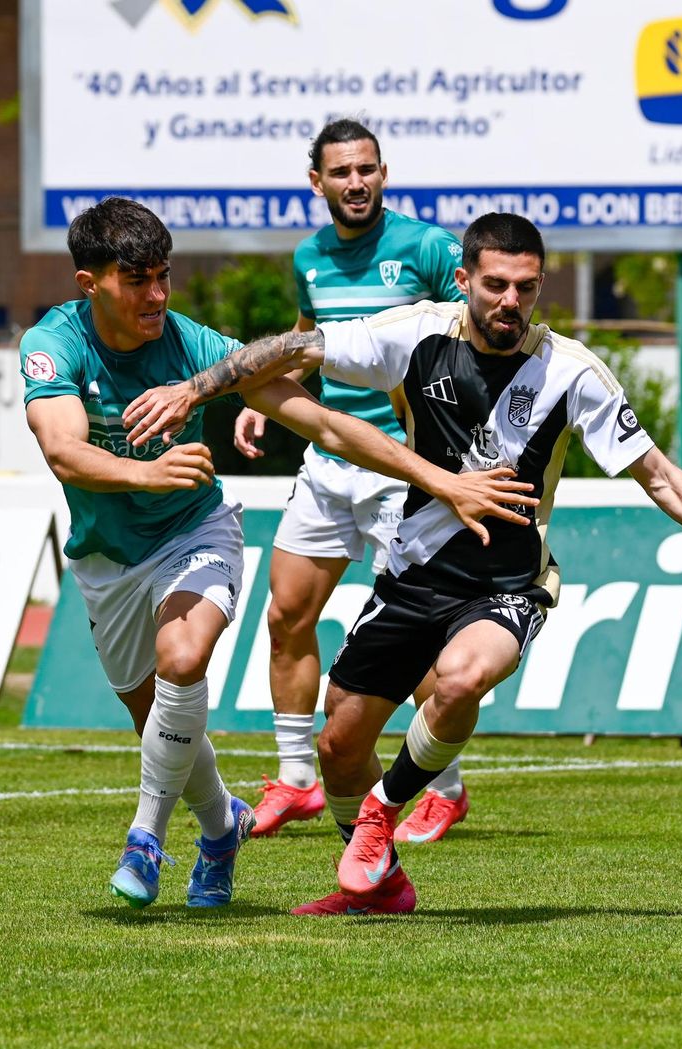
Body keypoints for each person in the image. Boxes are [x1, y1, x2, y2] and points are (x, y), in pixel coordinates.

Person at [122, 213, 682, 916]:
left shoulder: (572, 372)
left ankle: (381, 814)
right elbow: (297, 346)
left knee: (463, 676)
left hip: (508, 584)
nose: (511, 302)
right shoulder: (414, 334)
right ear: (465, 280)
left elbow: (656, 473)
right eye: (496, 285)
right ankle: (383, 887)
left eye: (526, 288)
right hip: (413, 575)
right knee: (340, 743)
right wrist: (196, 389)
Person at [21, 197, 537, 911]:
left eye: (164, 276)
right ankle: (220, 827)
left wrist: (439, 478)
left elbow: (325, 424)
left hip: (193, 534)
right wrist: (145, 471)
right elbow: (62, 449)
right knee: (162, 726)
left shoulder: (196, 345)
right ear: (90, 284)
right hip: (105, 557)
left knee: (182, 660)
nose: (157, 295)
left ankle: (146, 836)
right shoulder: (55, 343)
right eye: (137, 280)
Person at [234, 118, 475, 843]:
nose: (356, 182)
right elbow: (312, 336)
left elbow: (476, 337)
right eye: (341, 172)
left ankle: (444, 788)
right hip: (329, 464)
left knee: (423, 639)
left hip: (404, 471)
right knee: (285, 615)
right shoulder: (308, 256)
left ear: (384, 173)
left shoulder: (426, 247)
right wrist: (269, 403)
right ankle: (297, 780)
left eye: (367, 169)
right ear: (318, 182)